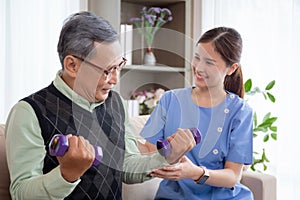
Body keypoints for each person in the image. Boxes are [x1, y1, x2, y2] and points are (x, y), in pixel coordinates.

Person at [4, 11, 196, 200]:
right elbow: (21, 193)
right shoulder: (29, 111)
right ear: (72, 65)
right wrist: (66, 174)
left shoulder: (116, 103)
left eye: (119, 66)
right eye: (108, 70)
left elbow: (127, 166)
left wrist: (166, 157)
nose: (115, 79)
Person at [141, 27, 254, 199]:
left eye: (209, 62)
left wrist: (195, 173)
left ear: (231, 68)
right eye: (197, 57)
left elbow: (232, 177)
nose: (199, 67)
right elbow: (147, 151)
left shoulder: (240, 112)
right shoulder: (170, 100)